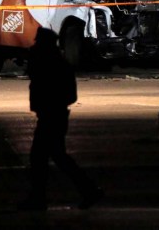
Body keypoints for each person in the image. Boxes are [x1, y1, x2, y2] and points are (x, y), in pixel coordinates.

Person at [18, 27, 103, 211]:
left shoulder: (54, 64)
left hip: (52, 117)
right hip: (53, 116)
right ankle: (88, 191)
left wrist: (50, 102)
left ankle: (40, 198)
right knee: (56, 156)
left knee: (41, 157)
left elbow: (68, 95)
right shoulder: (55, 63)